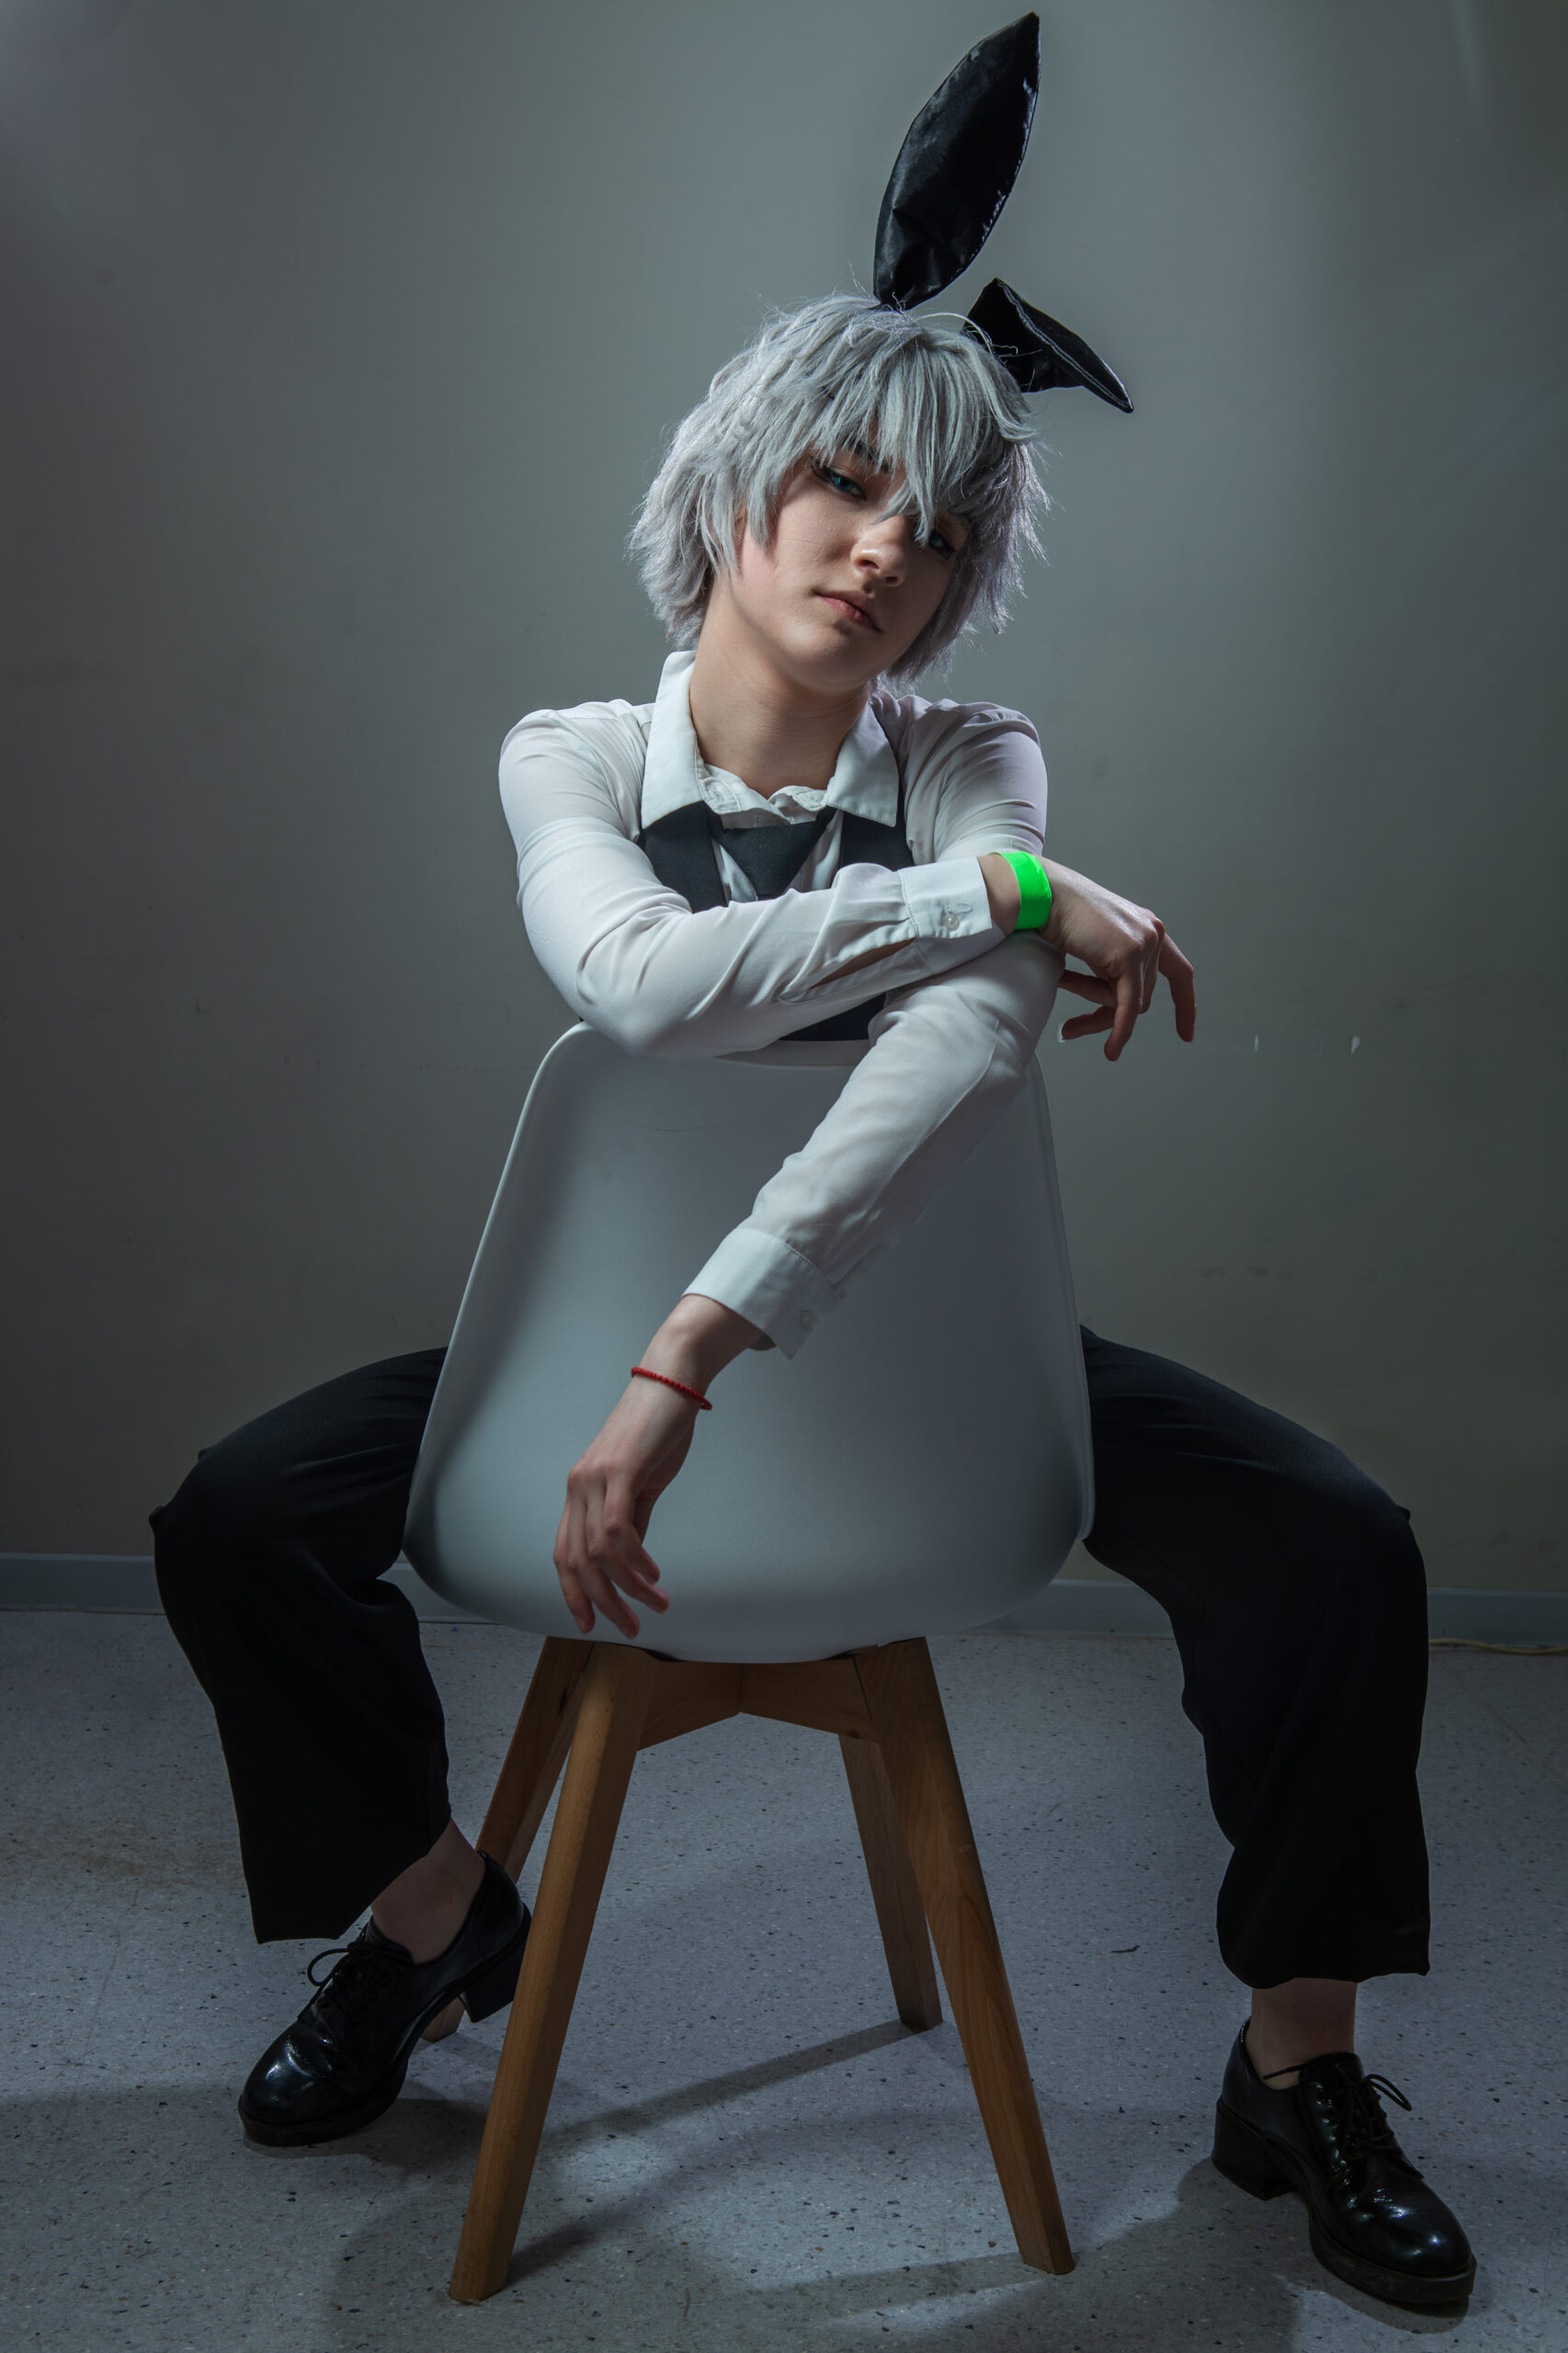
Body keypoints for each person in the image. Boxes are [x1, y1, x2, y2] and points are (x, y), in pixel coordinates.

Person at [152, 290, 1474, 2309]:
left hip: (912, 1355)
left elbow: (966, 1047)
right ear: (730, 493)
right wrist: (1007, 898)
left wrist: (690, 1355)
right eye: (844, 485)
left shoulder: (971, 758)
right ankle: (432, 1919)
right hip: (584, 1341)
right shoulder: (574, 756)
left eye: (934, 529)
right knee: (237, 1520)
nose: (881, 551)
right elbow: (643, 986)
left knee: (1336, 1546)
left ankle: (1299, 2071)